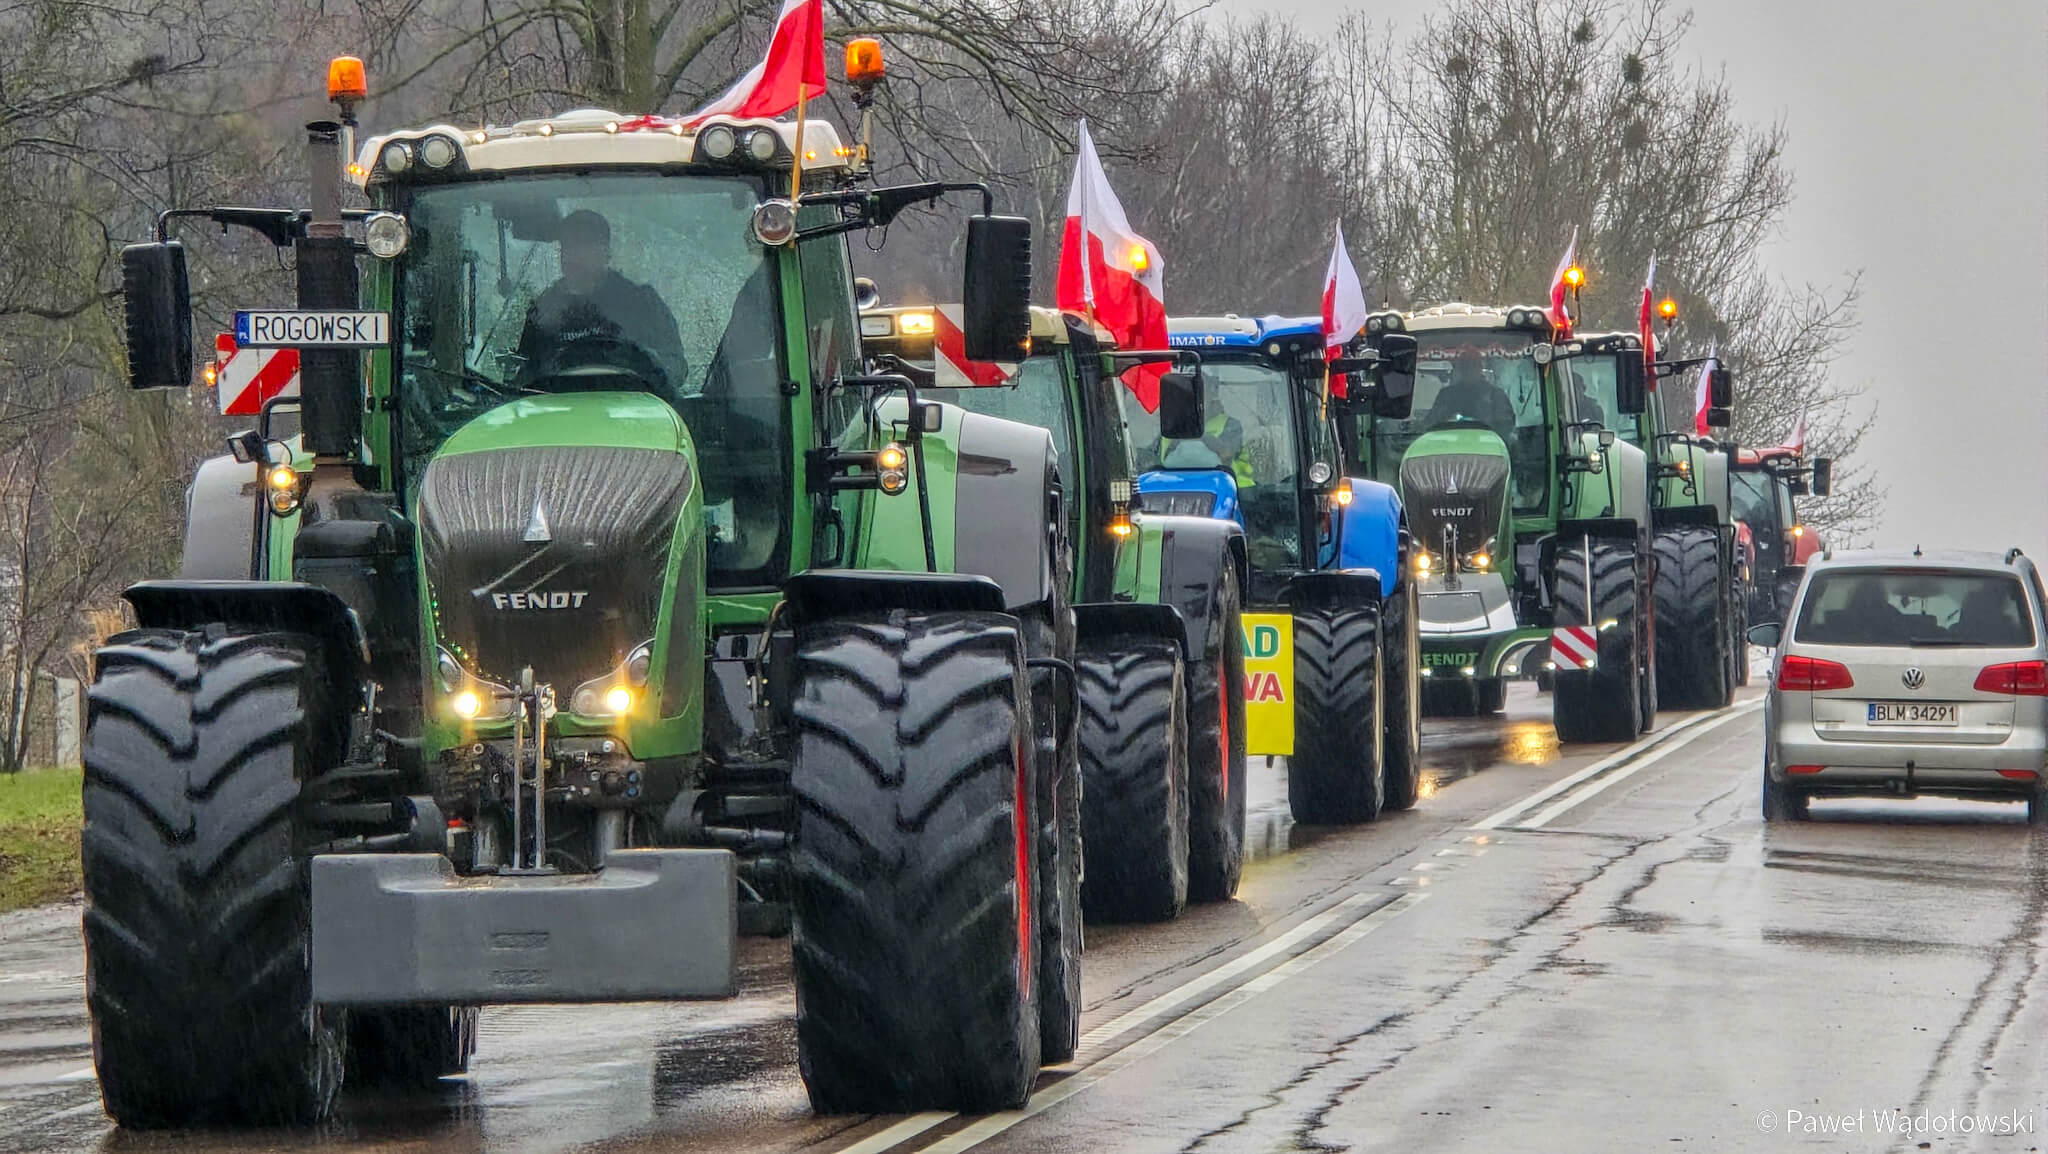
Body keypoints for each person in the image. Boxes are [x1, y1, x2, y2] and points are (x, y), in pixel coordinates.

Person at [515, 210, 687, 389]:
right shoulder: (543, 310)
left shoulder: (642, 303)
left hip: (630, 402)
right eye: (567, 246)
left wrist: (641, 364)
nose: (572, 255)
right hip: (556, 404)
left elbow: (675, 368)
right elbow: (523, 379)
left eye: (582, 245)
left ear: (605, 250)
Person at [1424, 349, 1517, 437]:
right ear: (1460, 369)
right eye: (1465, 366)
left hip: (1488, 445)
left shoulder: (1496, 396)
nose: (1469, 369)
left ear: (1480, 367)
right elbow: (1431, 424)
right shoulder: (1446, 396)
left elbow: (1505, 428)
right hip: (1450, 445)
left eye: (1473, 365)